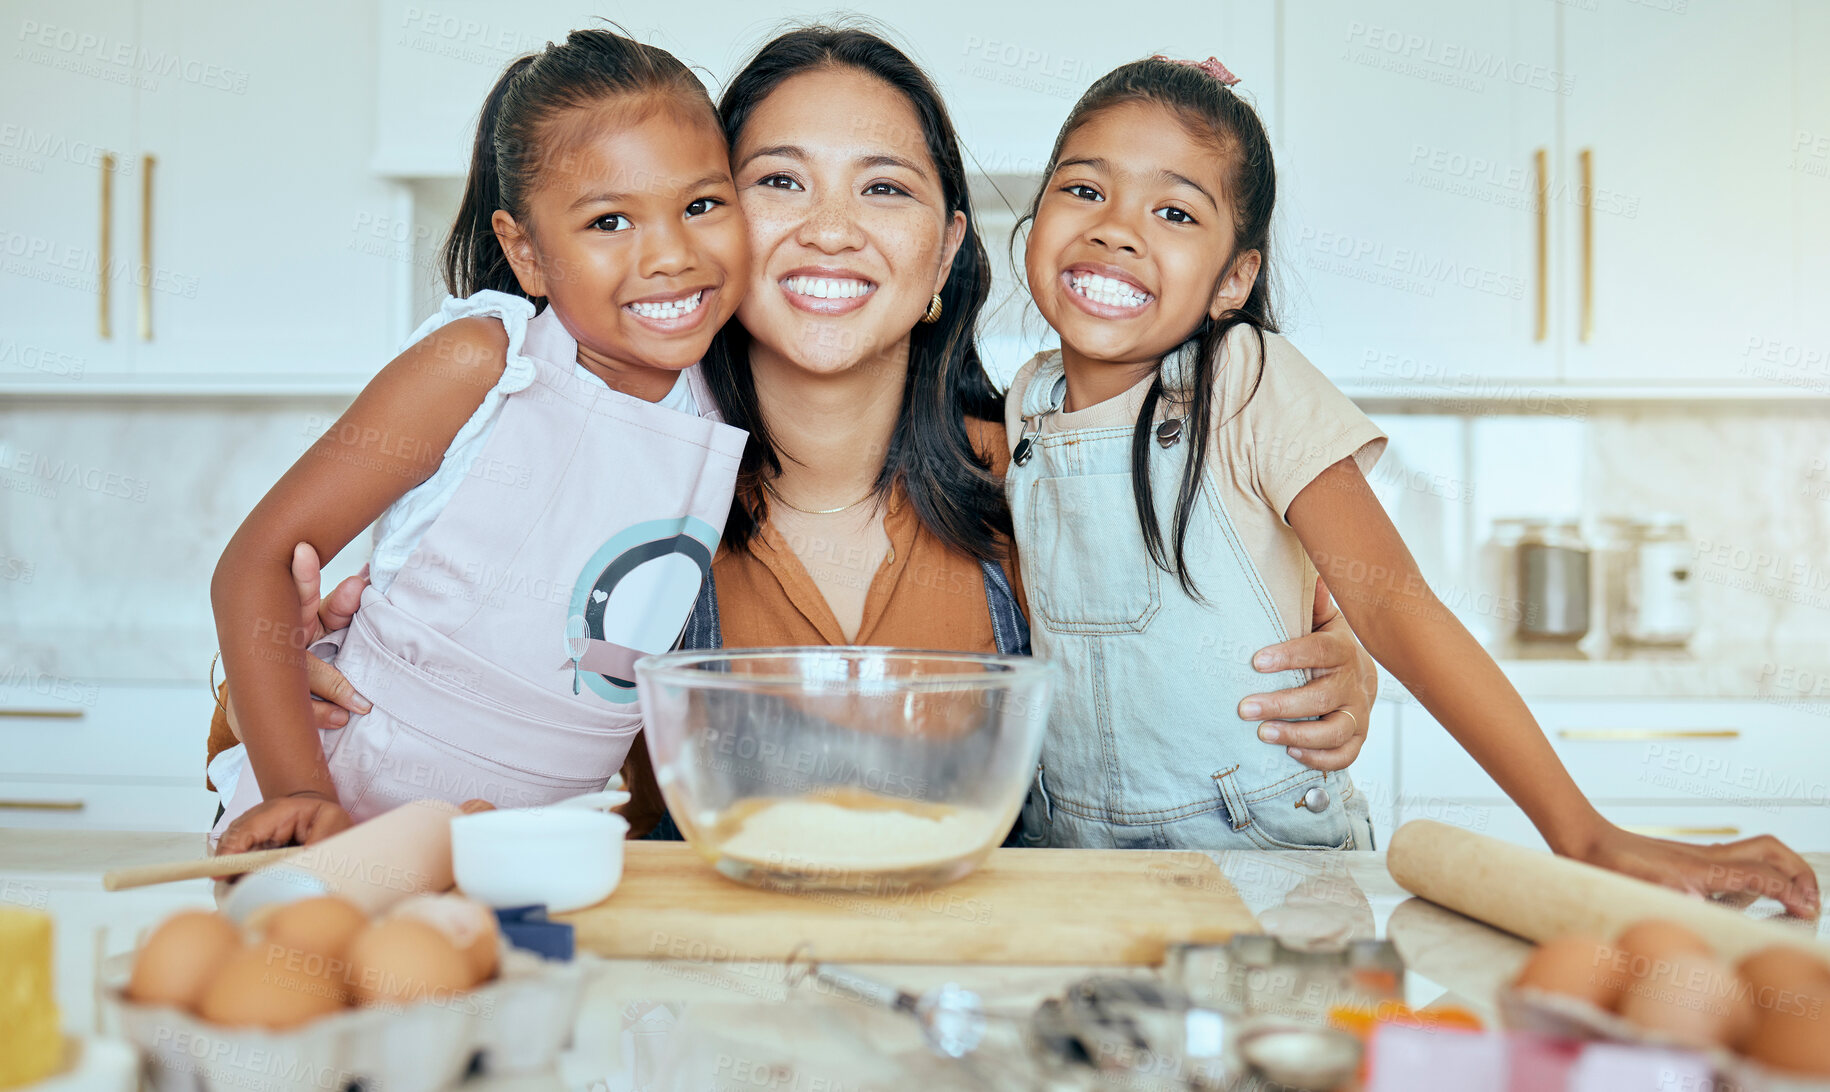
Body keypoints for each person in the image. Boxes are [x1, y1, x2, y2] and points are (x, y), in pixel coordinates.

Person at [205, 26, 1382, 848]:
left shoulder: (1048, 476)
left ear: (944, 258)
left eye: (883, 190)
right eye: (776, 181)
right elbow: (356, 700)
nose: (829, 231)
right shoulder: (605, 487)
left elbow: (1241, 628)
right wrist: (294, 683)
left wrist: (1339, 670)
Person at [1002, 54, 1819, 912]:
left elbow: (1393, 606)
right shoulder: (1025, 404)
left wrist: (1583, 835)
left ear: (1233, 280)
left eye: (1173, 211)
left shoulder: (1247, 381)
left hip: (1266, 867)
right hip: (1075, 864)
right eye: (1085, 190)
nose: (1116, 230)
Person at [207, 28, 751, 852]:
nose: (672, 254)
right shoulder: (484, 362)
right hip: (352, 799)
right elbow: (257, 561)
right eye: (610, 221)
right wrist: (296, 790)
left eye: (702, 206)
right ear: (526, 252)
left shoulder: (720, 399)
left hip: (529, 845)